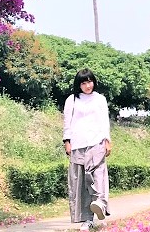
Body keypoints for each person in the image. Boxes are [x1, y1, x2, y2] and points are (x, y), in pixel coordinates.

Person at [63, 68, 112, 231]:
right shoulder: (72, 100)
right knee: (81, 182)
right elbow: (67, 122)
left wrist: (107, 140)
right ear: (79, 85)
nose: (87, 85)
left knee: (98, 176)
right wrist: (67, 141)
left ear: (94, 82)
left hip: (96, 142)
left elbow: (104, 121)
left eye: (89, 81)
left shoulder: (100, 99)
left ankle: (100, 203)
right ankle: (87, 219)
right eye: (83, 83)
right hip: (78, 144)